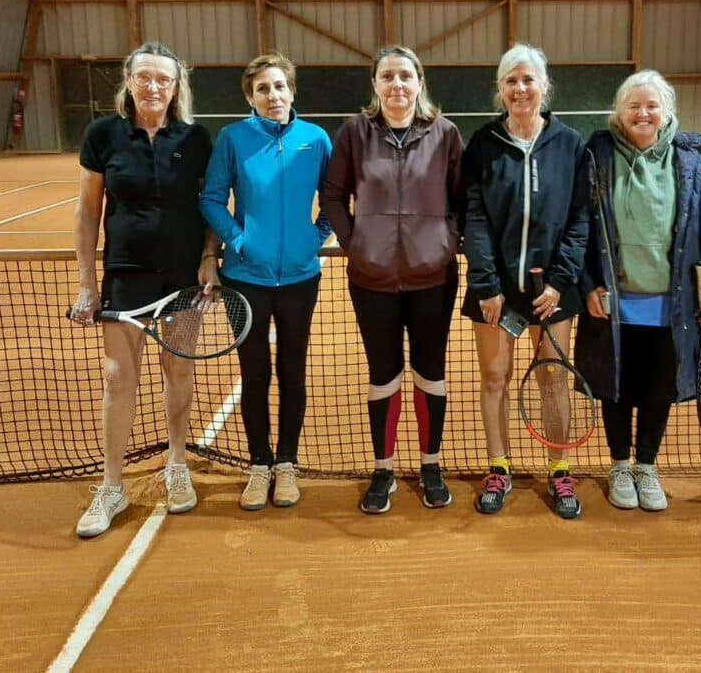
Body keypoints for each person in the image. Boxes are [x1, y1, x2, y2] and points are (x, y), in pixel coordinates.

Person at [69, 42, 218, 538]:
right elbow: (88, 213)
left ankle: (177, 464)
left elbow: (213, 203)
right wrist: (88, 286)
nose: (154, 87)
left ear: (176, 87)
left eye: (164, 79)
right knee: (118, 378)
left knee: (179, 370)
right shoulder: (102, 135)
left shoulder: (195, 138)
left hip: (182, 278)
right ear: (129, 82)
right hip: (125, 275)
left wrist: (208, 257)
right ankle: (112, 486)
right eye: (145, 77)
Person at [321, 45, 463, 515]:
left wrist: (445, 241)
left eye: (405, 75)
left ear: (420, 82)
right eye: (388, 76)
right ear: (375, 85)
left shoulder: (445, 134)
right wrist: (356, 244)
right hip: (371, 280)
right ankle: (383, 469)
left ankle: (431, 465)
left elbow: (463, 199)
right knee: (383, 375)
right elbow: (334, 196)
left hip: (432, 278)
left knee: (431, 372)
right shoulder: (354, 133)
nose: (397, 84)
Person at [574, 70, 701, 512]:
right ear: (619, 112)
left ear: (666, 111)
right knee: (616, 388)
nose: (643, 113)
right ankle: (620, 465)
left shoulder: (690, 163)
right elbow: (579, 227)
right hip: (613, 302)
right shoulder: (596, 157)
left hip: (671, 304)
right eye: (634, 105)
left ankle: (646, 466)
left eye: (652, 105)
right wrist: (587, 284)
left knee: (659, 389)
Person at [200, 53, 332, 511]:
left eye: (279, 86)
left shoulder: (316, 140)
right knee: (254, 374)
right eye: (262, 89)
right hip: (244, 280)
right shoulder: (232, 139)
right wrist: (238, 240)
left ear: (292, 91)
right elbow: (212, 198)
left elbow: (335, 199)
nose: (273, 95)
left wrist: (313, 238)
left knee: (293, 371)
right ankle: (259, 465)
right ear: (250, 98)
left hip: (300, 279)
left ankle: (287, 464)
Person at [461, 43, 588, 519]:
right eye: (511, 81)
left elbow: (579, 218)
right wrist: (487, 285)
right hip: (495, 289)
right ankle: (499, 467)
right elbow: (474, 217)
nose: (520, 88)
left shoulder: (570, 144)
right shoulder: (483, 144)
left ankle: (560, 468)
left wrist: (559, 281)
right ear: (500, 89)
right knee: (495, 377)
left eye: (528, 79)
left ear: (544, 86)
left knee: (553, 379)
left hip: (553, 290)